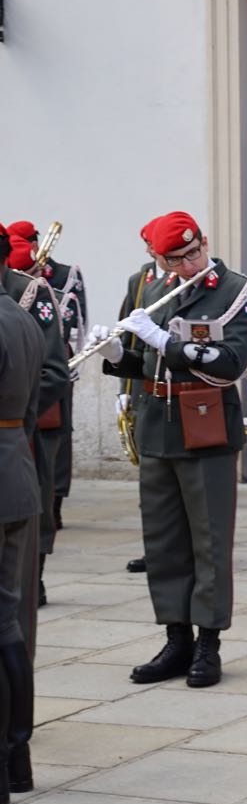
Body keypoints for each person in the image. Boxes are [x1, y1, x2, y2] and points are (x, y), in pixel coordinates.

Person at [87, 211, 247, 688]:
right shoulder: (155, 289)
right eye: (176, 259)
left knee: (209, 540)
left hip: (206, 426)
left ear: (204, 242)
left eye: (193, 253)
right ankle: (176, 636)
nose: (189, 264)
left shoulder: (238, 290)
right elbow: (147, 364)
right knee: (163, 540)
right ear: (159, 259)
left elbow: (234, 363)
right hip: (159, 425)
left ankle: (209, 643)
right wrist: (118, 355)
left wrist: (167, 343)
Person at [1, 233, 68, 607]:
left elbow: (53, 372)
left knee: (33, 511)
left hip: (23, 426)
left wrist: (16, 420)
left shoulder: (28, 292)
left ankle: (36, 574)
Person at [8, 221, 84, 537]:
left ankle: (54, 502)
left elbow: (75, 321)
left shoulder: (60, 279)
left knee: (54, 444)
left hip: (43, 381)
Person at [0, 284, 43, 804]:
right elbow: (34, 405)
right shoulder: (23, 317)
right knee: (7, 621)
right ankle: (18, 758)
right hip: (16, 469)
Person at [120, 219, 165, 575]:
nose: (154, 252)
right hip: (143, 386)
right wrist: (124, 392)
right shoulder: (141, 281)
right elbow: (127, 341)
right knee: (149, 483)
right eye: (150, 246)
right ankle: (154, 548)